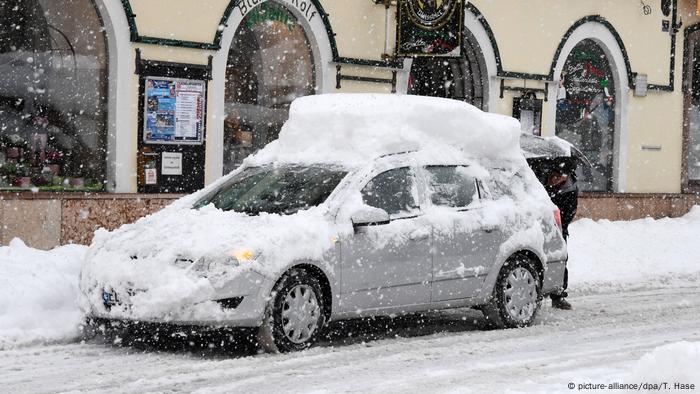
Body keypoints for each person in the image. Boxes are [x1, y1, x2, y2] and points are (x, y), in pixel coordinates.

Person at [544, 163, 578, 310]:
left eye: (557, 177)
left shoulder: (569, 190)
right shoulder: (542, 181)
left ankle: (558, 295)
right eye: (552, 176)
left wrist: (557, 226)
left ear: (565, 177)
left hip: (558, 228)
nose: (553, 180)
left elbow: (569, 213)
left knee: (559, 259)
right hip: (540, 227)